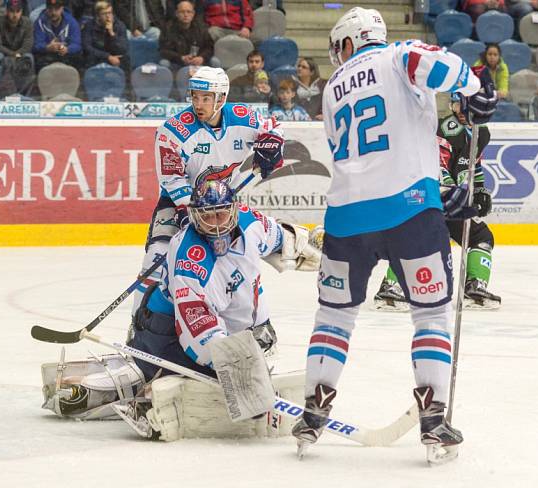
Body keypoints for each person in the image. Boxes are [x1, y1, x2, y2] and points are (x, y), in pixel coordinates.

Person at [290, 7, 497, 463]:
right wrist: (475, 89)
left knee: (333, 318)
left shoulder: (332, 89)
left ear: (348, 43)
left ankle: (313, 413)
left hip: (344, 217)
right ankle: (434, 421)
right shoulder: (399, 56)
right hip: (408, 214)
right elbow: (445, 68)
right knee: (430, 315)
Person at [41, 179, 321, 441]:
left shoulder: (251, 222)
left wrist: (308, 243)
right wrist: (237, 372)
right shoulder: (191, 261)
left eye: (220, 215)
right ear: (195, 218)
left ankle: (145, 371)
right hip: (165, 333)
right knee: (168, 371)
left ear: (234, 211)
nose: (215, 226)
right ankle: (132, 389)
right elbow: (199, 338)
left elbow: (280, 238)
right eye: (206, 217)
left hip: (215, 320)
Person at [129, 66, 289, 324]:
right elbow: (172, 178)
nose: (198, 104)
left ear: (221, 98)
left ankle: (247, 323)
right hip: (178, 202)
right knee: (157, 258)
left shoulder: (241, 117)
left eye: (206, 98)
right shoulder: (174, 131)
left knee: (235, 258)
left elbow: (273, 127)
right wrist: (187, 209)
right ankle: (139, 327)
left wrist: (272, 146)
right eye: (195, 97)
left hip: (222, 204)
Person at [374, 95, 501, 311]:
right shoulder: (445, 129)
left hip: (448, 200)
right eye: (458, 104)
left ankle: (474, 286)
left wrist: (479, 189)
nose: (461, 109)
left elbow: (474, 164)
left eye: (466, 104)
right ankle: (391, 287)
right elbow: (437, 166)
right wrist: (453, 192)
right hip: (423, 194)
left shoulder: (482, 133)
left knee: (481, 236)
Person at [158, 0, 217, 72]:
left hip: (197, 62)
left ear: (193, 14)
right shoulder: (167, 28)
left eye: (188, 12)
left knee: (215, 61)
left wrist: (202, 58)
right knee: (163, 63)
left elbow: (209, 47)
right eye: (182, 12)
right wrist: (181, 58)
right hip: (177, 62)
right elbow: (163, 50)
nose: (186, 15)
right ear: (176, 13)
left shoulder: (201, 28)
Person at [0, 0, 35, 97]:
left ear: (21, 11)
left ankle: (26, 95)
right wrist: (13, 54)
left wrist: (18, 53)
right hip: (4, 53)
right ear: (7, 11)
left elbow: (28, 44)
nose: (15, 14)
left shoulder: (27, 22)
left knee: (29, 57)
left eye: (17, 11)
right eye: (12, 11)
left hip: (21, 53)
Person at [32, 0, 83, 72]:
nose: (53, 13)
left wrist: (67, 49)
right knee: (38, 58)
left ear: (62, 8)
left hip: (66, 55)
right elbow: (36, 45)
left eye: (57, 9)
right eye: (50, 9)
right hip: (47, 55)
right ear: (46, 9)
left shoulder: (71, 22)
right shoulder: (39, 22)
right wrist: (47, 47)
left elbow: (77, 44)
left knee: (78, 57)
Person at [82, 0, 131, 74]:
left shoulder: (120, 25)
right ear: (98, 15)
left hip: (116, 60)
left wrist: (112, 33)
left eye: (110, 13)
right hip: (97, 59)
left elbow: (123, 49)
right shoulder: (89, 26)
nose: (108, 16)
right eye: (104, 14)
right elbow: (87, 47)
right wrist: (108, 57)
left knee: (125, 59)